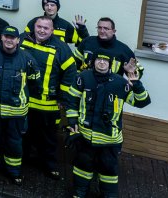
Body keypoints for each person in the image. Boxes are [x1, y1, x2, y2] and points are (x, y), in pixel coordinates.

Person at [65, 53, 150, 198]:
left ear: (110, 64)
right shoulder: (83, 77)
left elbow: (142, 102)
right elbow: (72, 99)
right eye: (99, 59)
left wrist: (136, 83)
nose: (102, 63)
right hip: (85, 137)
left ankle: (108, 195)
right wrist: (72, 121)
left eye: (105, 60)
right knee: (82, 167)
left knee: (108, 170)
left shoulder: (120, 83)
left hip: (110, 140)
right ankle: (79, 192)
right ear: (94, 62)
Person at [0, 26, 41, 185]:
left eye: (13, 37)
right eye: (6, 36)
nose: (9, 40)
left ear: (18, 40)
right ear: (2, 38)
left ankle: (14, 171)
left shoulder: (27, 59)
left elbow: (34, 84)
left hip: (16, 113)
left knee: (14, 143)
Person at [20, 16, 77, 180]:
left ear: (52, 30)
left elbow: (70, 73)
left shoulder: (61, 48)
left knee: (49, 138)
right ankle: (22, 160)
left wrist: (62, 96)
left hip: (49, 104)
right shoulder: (23, 40)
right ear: (33, 27)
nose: (42, 30)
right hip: (24, 101)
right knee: (24, 134)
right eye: (39, 27)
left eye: (46, 28)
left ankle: (50, 166)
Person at [75, 17, 143, 77]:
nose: (102, 31)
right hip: (86, 86)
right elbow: (74, 63)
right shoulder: (87, 42)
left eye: (106, 28)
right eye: (99, 28)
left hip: (110, 89)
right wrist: (78, 78)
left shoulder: (124, 50)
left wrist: (131, 72)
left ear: (114, 31)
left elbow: (139, 71)